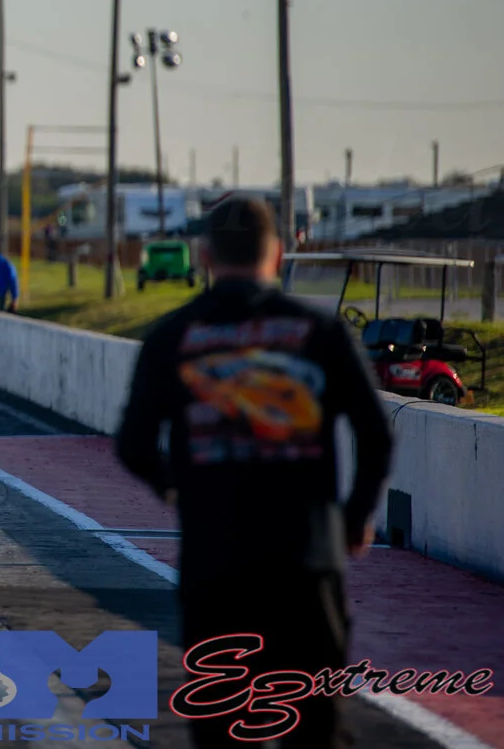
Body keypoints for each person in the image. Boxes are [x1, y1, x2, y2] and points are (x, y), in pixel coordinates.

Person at [115, 195, 392, 749]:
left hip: (216, 568)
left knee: (222, 734)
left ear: (205, 256)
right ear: (278, 254)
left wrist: (175, 486)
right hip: (307, 566)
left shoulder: (173, 336)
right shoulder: (319, 331)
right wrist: (355, 515)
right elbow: (376, 433)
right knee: (313, 732)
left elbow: (133, 444)